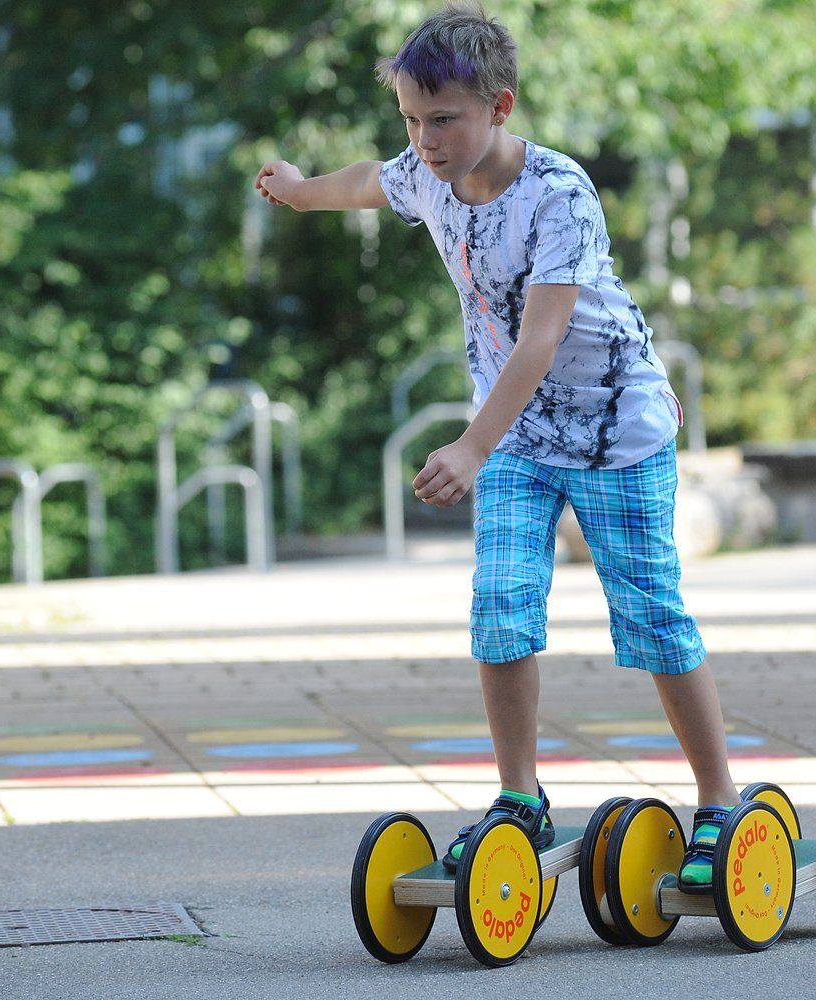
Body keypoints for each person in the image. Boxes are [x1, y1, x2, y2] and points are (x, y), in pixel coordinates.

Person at [255, 1, 740, 891]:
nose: (425, 139)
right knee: (502, 601)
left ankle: (719, 800)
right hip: (519, 438)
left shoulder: (560, 193)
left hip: (613, 430)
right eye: (411, 118)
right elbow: (371, 181)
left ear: (500, 107)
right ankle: (520, 795)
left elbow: (540, 340)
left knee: (651, 614)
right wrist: (300, 187)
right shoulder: (426, 172)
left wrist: (473, 447)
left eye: (444, 119)